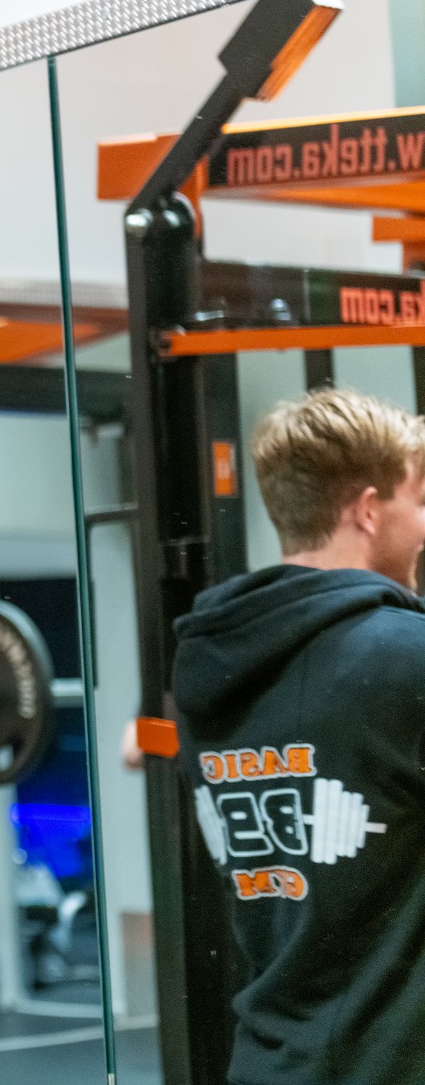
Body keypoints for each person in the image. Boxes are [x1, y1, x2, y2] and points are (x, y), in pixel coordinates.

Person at [170, 387, 425, 1085]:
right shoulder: (404, 654)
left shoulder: (209, 663)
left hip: (271, 1062)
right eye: (418, 501)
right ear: (368, 510)